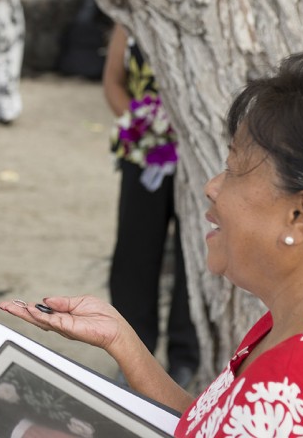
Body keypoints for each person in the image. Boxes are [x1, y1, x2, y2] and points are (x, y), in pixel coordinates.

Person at [0, 51, 303, 437]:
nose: (211, 187)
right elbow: (215, 425)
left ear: (302, 214)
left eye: (234, 169)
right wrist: (124, 342)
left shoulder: (287, 389)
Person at [101, 23, 199, 388]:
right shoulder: (130, 23)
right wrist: (143, 127)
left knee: (196, 256)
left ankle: (186, 357)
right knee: (134, 252)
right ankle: (132, 351)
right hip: (145, 157)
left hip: (201, 160)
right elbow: (113, 82)